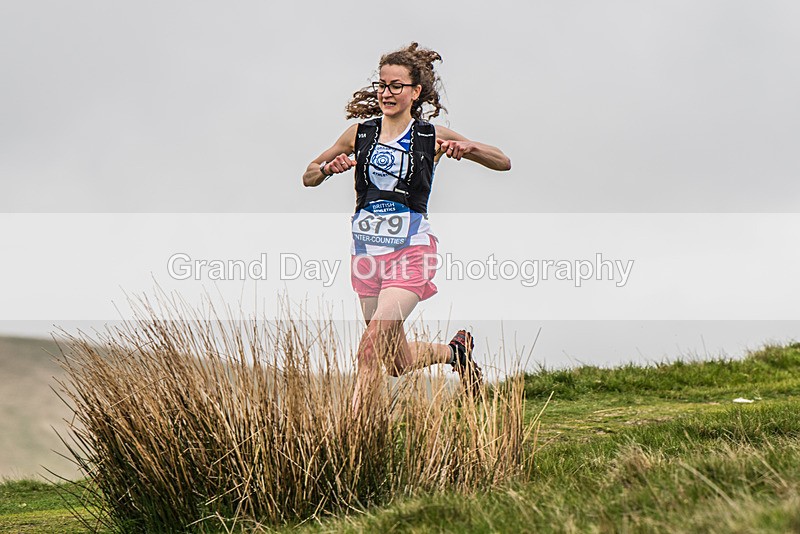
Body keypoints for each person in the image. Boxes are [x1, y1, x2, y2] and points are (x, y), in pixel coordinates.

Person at [302, 42, 511, 409]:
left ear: (415, 92)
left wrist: (470, 149)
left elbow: (503, 161)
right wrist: (326, 169)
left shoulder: (431, 135)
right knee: (394, 362)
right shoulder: (358, 134)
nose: (387, 92)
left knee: (368, 352)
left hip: (410, 254)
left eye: (397, 85)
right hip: (366, 257)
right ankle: (455, 353)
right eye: (382, 84)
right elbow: (308, 176)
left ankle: (352, 444)